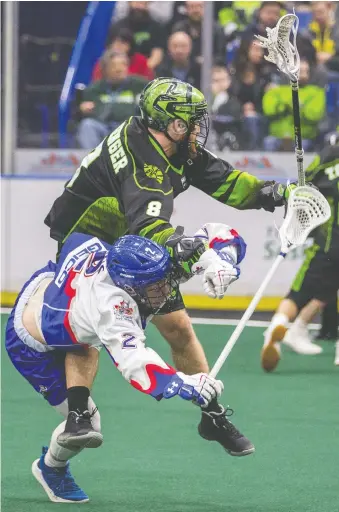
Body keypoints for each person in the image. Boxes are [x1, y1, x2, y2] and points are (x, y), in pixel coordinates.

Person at [45, 77, 296, 456]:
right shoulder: (143, 164)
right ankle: (78, 415)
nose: (197, 129)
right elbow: (151, 228)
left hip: (131, 234)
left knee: (178, 327)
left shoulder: (171, 145)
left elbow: (223, 179)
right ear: (167, 124)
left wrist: (276, 194)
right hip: (87, 240)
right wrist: (201, 256)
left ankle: (211, 416)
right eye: (190, 123)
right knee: (88, 328)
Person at [5, 229, 245, 502]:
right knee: (91, 421)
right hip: (31, 343)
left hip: (50, 284)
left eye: (162, 281)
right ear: (128, 287)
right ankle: (51, 468)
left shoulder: (152, 269)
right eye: (154, 288)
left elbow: (216, 233)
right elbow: (136, 365)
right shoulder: (111, 309)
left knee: (86, 336)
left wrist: (222, 260)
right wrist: (186, 384)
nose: (165, 291)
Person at [261, 133, 339, 372]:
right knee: (323, 289)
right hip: (330, 237)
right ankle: (297, 329)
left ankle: (283, 325)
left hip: (325, 242)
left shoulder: (329, 156)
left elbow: (304, 186)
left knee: (302, 292)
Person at [77, 53, 148, 149]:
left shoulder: (139, 85)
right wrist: (83, 109)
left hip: (128, 128)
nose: (119, 69)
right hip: (103, 127)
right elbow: (81, 113)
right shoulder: (94, 89)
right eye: (114, 66)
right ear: (105, 70)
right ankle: (92, 161)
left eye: (123, 65)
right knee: (87, 125)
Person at [262, 59, 325, 152]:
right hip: (277, 136)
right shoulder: (276, 90)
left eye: (305, 71)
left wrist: (290, 105)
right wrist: (291, 104)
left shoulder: (316, 92)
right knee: (268, 142)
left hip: (303, 137)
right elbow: (269, 110)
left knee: (305, 145)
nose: (302, 74)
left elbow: (314, 115)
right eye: (300, 71)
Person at [107, 1, 165, 72]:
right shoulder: (117, 26)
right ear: (129, 3)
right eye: (136, 3)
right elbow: (111, 52)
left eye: (143, 3)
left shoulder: (157, 27)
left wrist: (141, 69)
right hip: (119, 70)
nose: (140, 7)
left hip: (146, 71)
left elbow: (157, 54)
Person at [171, 1, 226, 65]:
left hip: (210, 68)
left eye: (199, 6)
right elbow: (172, 53)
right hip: (184, 67)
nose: (196, 10)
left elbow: (221, 55)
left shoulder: (216, 29)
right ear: (186, 9)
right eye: (192, 7)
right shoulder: (179, 28)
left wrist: (207, 61)